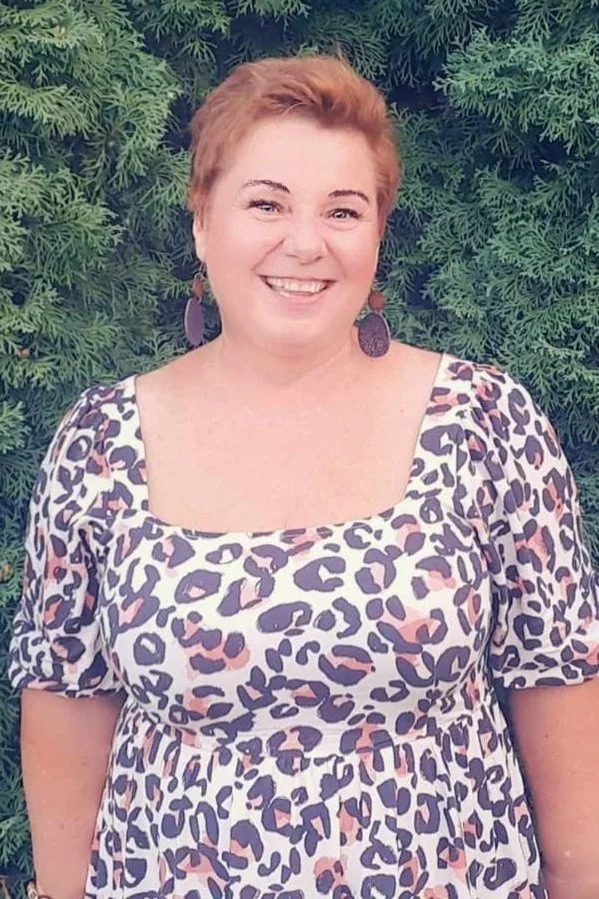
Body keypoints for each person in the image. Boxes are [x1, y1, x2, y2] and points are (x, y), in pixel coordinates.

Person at [7, 53, 599, 899]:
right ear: (202, 221)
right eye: (266, 203)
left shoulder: (485, 421)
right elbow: (67, 696)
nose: (305, 242)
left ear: (377, 235)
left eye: (342, 210)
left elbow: (558, 674)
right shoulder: (99, 442)